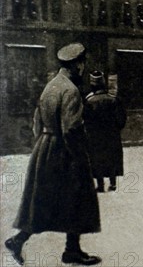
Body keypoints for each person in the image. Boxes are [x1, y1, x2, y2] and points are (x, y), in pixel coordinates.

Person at [5, 43, 102, 266]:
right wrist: (80, 156)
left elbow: (37, 121)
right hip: (64, 151)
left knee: (43, 200)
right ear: (78, 64)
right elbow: (71, 128)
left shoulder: (50, 86)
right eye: (82, 64)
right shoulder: (71, 90)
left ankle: (25, 241)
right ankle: (71, 250)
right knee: (78, 197)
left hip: (45, 146)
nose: (83, 68)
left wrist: (42, 143)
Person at [84, 70, 127, 192]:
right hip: (112, 135)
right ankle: (113, 183)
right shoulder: (113, 99)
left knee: (97, 158)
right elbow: (121, 118)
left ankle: (100, 184)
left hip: (95, 136)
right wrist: (116, 129)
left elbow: (85, 120)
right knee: (112, 157)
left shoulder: (89, 101)